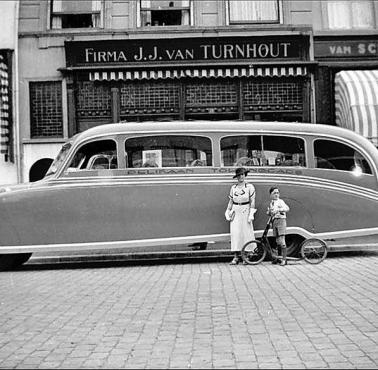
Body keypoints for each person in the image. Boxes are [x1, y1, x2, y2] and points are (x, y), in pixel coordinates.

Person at [225, 167, 256, 265]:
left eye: (242, 175)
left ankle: (246, 256)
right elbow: (231, 201)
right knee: (236, 233)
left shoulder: (249, 187)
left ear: (245, 175)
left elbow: (252, 201)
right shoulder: (233, 188)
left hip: (245, 209)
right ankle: (236, 256)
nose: (241, 177)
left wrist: (251, 213)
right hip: (236, 210)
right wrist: (227, 211)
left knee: (246, 232)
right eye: (239, 175)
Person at [267, 186, 290, 266]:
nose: (276, 195)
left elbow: (287, 208)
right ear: (271, 195)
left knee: (282, 240)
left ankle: (284, 259)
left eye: (277, 193)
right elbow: (271, 213)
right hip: (275, 222)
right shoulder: (271, 203)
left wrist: (279, 210)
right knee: (277, 241)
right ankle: (279, 258)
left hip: (281, 221)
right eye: (274, 193)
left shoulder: (281, 201)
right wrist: (269, 212)